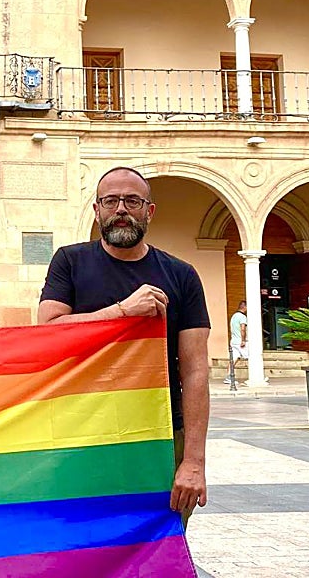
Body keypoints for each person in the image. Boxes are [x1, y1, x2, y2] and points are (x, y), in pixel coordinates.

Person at [38, 166, 210, 523]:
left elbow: (194, 372)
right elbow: (48, 332)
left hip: (161, 434)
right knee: (81, 545)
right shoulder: (69, 262)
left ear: (149, 210)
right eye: (111, 200)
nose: (121, 209)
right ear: (97, 209)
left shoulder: (182, 275)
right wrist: (121, 311)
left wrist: (193, 462)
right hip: (80, 432)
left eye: (132, 200)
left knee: (157, 545)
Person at [228, 300, 248, 389]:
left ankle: (229, 377)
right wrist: (243, 340)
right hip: (240, 341)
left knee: (234, 359)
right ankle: (256, 376)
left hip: (234, 341)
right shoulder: (242, 317)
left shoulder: (234, 316)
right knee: (252, 357)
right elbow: (242, 329)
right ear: (244, 307)